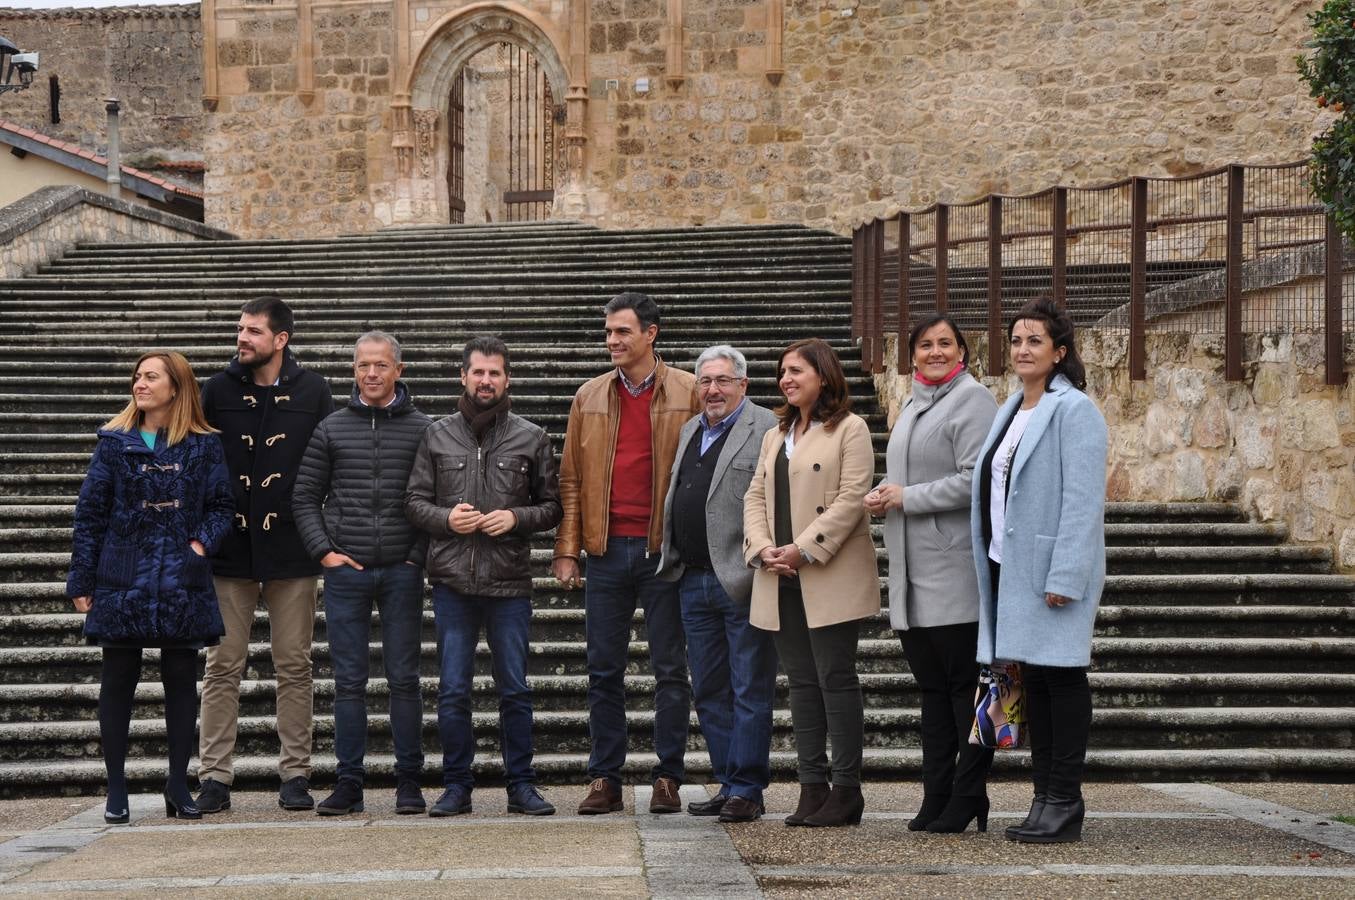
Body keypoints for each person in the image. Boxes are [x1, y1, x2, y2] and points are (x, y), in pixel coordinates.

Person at [67, 350, 234, 823]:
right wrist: (82, 576)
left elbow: (222, 505)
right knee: (117, 680)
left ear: (176, 388)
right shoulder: (114, 442)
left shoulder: (203, 445)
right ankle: (116, 788)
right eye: (137, 376)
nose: (140, 384)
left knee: (181, 681)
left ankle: (178, 783)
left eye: (151, 377)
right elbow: (90, 513)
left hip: (181, 578)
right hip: (123, 578)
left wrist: (200, 546)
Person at [551, 292, 700, 816]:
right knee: (602, 669)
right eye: (609, 332)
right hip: (607, 550)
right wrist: (567, 549)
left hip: (666, 552)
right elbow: (570, 479)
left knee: (669, 669)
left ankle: (668, 776)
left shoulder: (690, 390)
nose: (612, 341)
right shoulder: (588, 395)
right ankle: (605, 778)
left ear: (651, 333)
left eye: (623, 332)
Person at [406, 336, 562, 817]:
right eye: (478, 372)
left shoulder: (531, 436)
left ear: (508, 379)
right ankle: (457, 786)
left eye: (495, 373)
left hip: (509, 583)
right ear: (463, 377)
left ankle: (522, 785)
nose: (486, 381)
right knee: (454, 689)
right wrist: (446, 520)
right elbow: (414, 502)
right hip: (453, 582)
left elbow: (553, 506)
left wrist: (516, 519)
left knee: (514, 687)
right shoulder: (436, 434)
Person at [971, 297, 1107, 844]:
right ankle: (1042, 797)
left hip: (1051, 569)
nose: (1024, 349)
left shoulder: (1075, 410)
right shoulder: (1011, 407)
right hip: (1010, 565)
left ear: (1059, 352)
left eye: (1035, 341)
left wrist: (1065, 576)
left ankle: (1064, 799)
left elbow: (1082, 500)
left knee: (1063, 679)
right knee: (1037, 684)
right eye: (1018, 340)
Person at [197, 296, 335, 813]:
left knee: (294, 664)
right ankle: (214, 777)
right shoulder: (216, 390)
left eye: (253, 331)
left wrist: (323, 533)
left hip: (293, 549)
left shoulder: (314, 390)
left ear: (281, 339)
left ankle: (295, 775)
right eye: (240, 329)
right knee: (222, 665)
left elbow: (328, 463)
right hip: (229, 549)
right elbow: (196, 459)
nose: (242, 338)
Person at [864, 315, 998, 833]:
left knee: (965, 690)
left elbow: (974, 480)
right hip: (911, 572)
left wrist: (906, 498)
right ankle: (936, 793)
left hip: (954, 568)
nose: (935, 351)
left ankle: (969, 794)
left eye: (945, 343)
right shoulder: (914, 402)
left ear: (962, 351)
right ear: (913, 355)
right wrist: (883, 491)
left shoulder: (974, 400)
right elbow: (906, 475)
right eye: (925, 344)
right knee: (932, 693)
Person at [292, 331, 431, 816]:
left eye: (380, 365)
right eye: (362, 366)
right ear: (353, 371)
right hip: (346, 571)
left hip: (402, 571)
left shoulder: (423, 428)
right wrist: (324, 552)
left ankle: (408, 782)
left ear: (399, 370)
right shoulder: (331, 428)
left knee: (404, 679)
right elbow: (305, 496)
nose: (370, 374)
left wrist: (416, 556)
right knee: (348, 681)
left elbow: (435, 498)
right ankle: (348, 782)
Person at [743, 338, 877, 828]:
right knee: (800, 684)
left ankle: (846, 789)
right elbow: (754, 495)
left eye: (796, 370)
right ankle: (811, 785)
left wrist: (803, 548)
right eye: (782, 372)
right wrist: (763, 549)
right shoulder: (776, 433)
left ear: (823, 374)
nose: (786, 379)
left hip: (826, 569)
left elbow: (852, 499)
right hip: (779, 572)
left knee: (835, 680)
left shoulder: (851, 428)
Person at [656, 345, 779, 824]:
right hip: (693, 580)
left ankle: (748, 788)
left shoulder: (766, 427)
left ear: (743, 385)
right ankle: (729, 781)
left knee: (750, 686)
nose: (712, 389)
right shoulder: (691, 429)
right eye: (705, 381)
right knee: (708, 689)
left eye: (723, 380)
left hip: (742, 578)